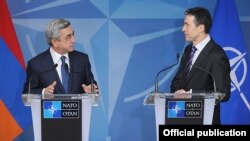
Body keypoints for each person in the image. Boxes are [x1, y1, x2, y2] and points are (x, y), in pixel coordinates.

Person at [170, 7, 231, 124]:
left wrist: (192, 95)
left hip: (204, 121)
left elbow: (223, 93)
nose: (183, 29)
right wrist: (177, 92)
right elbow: (177, 81)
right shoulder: (188, 50)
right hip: (181, 117)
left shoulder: (217, 55)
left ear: (201, 28)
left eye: (187, 25)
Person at [22, 18, 98, 95]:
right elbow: (27, 93)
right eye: (68, 37)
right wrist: (44, 91)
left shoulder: (82, 59)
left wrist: (91, 89)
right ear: (55, 42)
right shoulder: (36, 64)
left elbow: (92, 86)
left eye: (73, 35)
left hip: (77, 107)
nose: (73, 40)